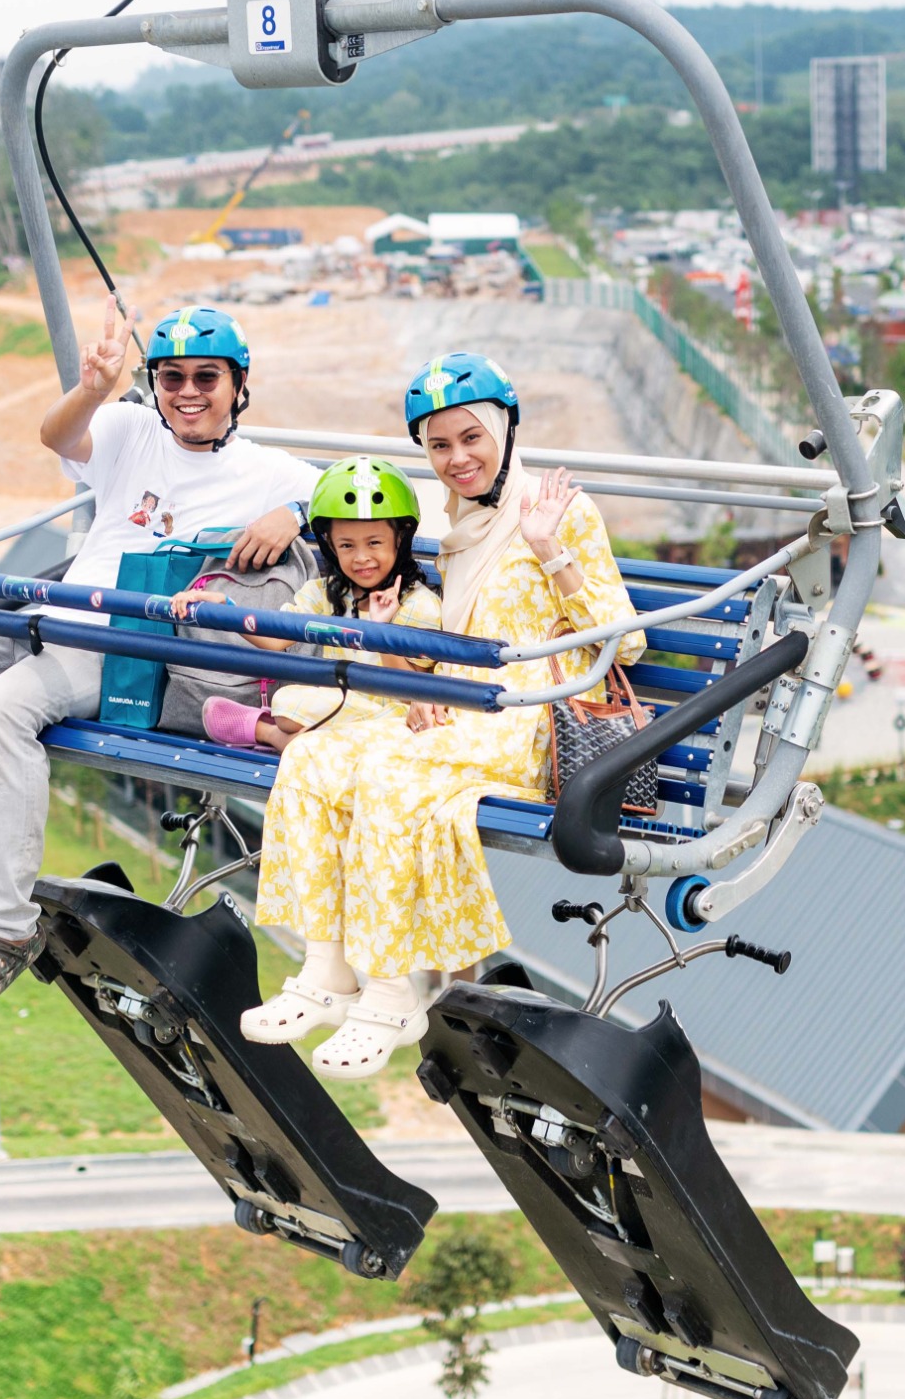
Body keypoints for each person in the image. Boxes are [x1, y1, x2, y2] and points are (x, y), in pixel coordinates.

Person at [0, 300, 314, 1006]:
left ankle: (6, 927)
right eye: (173, 377)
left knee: (8, 708)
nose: (189, 393)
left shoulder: (267, 472)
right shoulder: (131, 428)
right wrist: (93, 386)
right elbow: (58, 435)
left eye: (208, 378)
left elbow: (350, 501)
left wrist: (291, 514)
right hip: (51, 609)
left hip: (117, 639)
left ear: (238, 387)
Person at [245, 351, 643, 1079]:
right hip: (458, 705)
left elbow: (628, 638)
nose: (457, 458)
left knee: (391, 775)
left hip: (524, 715)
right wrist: (292, 511)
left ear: (503, 430)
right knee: (316, 758)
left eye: (471, 438)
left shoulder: (557, 512)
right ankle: (327, 968)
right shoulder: (458, 518)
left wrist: (551, 550)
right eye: (438, 445)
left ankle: (395, 988)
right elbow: (358, 505)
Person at [174, 455, 441, 750]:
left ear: (400, 539)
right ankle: (296, 738)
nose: (362, 557)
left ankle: (267, 732)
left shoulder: (420, 605)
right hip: (335, 706)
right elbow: (276, 639)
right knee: (288, 702)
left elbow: (411, 692)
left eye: (374, 543)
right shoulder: (324, 594)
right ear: (330, 546)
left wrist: (381, 633)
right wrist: (224, 606)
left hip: (396, 716)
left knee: (380, 728)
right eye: (347, 546)